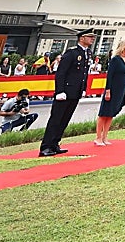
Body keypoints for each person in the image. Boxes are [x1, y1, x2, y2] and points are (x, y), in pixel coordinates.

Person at [40, 27, 97, 157]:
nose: (92, 39)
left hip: (75, 92)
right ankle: (46, 146)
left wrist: (83, 88)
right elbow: (61, 73)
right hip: (65, 92)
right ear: (82, 38)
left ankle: (55, 143)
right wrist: (60, 91)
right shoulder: (71, 53)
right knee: (56, 119)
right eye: (90, 37)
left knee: (65, 119)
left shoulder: (87, 53)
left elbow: (83, 73)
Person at [95, 38, 125, 145]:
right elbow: (109, 75)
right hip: (112, 88)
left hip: (121, 88)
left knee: (111, 113)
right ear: (124, 47)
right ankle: (98, 137)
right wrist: (108, 90)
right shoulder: (115, 59)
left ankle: (105, 137)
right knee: (104, 113)